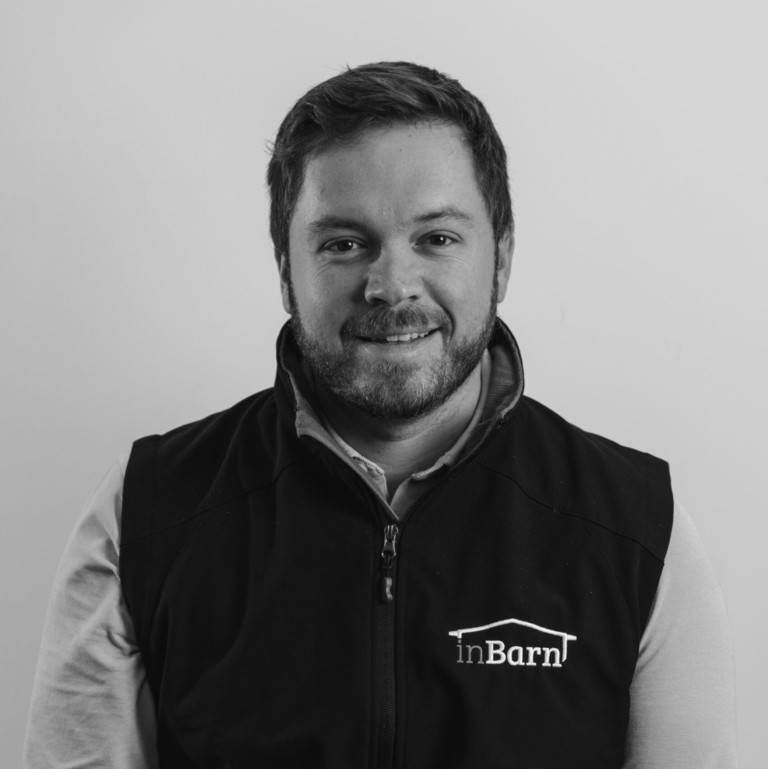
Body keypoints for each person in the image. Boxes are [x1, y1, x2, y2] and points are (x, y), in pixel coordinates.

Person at [24, 62, 737, 768]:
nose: (391, 286)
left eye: (437, 238)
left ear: (501, 259)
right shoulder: (143, 515)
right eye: (343, 243)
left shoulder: (639, 530)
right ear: (285, 271)